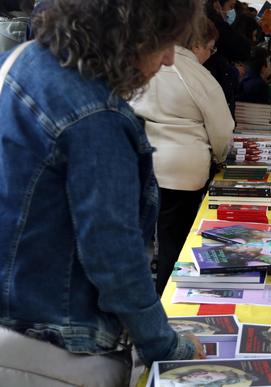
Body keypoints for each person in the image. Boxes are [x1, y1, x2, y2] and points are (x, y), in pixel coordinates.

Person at [0, 0, 206, 385]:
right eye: (162, 44)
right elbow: (114, 254)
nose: (167, 61)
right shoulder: (96, 118)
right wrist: (163, 344)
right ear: (127, 36)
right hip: (57, 353)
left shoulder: (23, 62)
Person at [131, 17, 234, 295]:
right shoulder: (198, 75)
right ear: (197, 44)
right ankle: (168, 299)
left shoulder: (144, 65)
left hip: (139, 165)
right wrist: (221, 157)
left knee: (137, 240)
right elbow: (222, 129)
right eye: (210, 48)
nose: (209, 55)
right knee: (173, 242)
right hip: (182, 172)